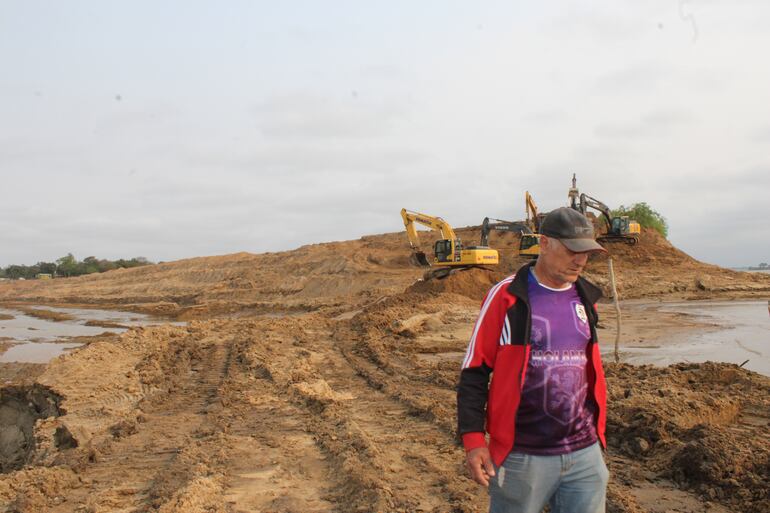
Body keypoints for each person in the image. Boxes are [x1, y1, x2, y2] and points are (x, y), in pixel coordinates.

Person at [457, 207, 610, 513]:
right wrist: (474, 441)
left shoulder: (584, 298)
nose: (580, 260)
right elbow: (474, 372)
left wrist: (598, 438)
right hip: (522, 457)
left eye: (587, 253)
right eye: (571, 250)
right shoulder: (507, 297)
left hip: (584, 454)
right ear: (543, 244)